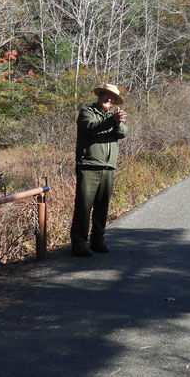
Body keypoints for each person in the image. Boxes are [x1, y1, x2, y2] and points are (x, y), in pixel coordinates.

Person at [70, 84, 128, 257]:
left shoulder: (113, 116)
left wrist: (118, 123)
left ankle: (97, 241)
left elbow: (123, 133)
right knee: (84, 207)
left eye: (113, 98)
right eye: (106, 96)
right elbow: (90, 127)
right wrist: (112, 121)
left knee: (102, 207)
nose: (109, 99)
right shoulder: (87, 112)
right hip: (89, 166)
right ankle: (79, 244)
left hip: (108, 167)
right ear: (100, 96)